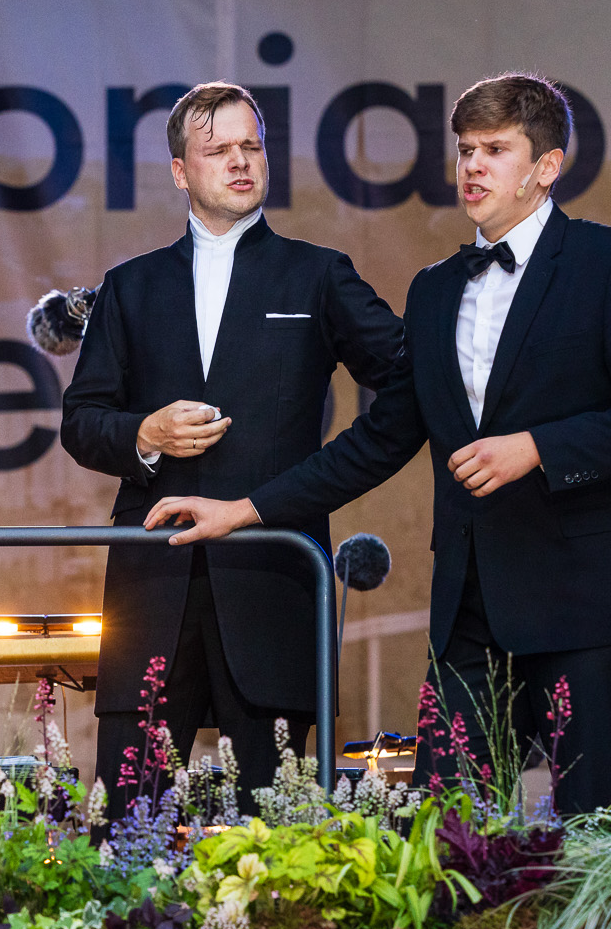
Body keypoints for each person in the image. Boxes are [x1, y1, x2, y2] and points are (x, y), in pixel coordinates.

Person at [147, 73, 611, 819]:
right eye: (465, 149)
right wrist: (245, 509)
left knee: (592, 835)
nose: (472, 166)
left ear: (547, 166)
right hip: (473, 607)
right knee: (447, 838)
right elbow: (381, 438)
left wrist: (537, 447)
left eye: (496, 150)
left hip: (592, 600)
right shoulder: (436, 288)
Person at [61, 82, 404, 815]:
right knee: (124, 828)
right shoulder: (129, 286)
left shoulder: (318, 274)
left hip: (271, 576)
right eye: (218, 149)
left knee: (274, 837)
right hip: (151, 588)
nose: (241, 162)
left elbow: (412, 388)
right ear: (180, 171)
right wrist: (144, 435)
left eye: (252, 146)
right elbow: (81, 421)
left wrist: (289, 495)